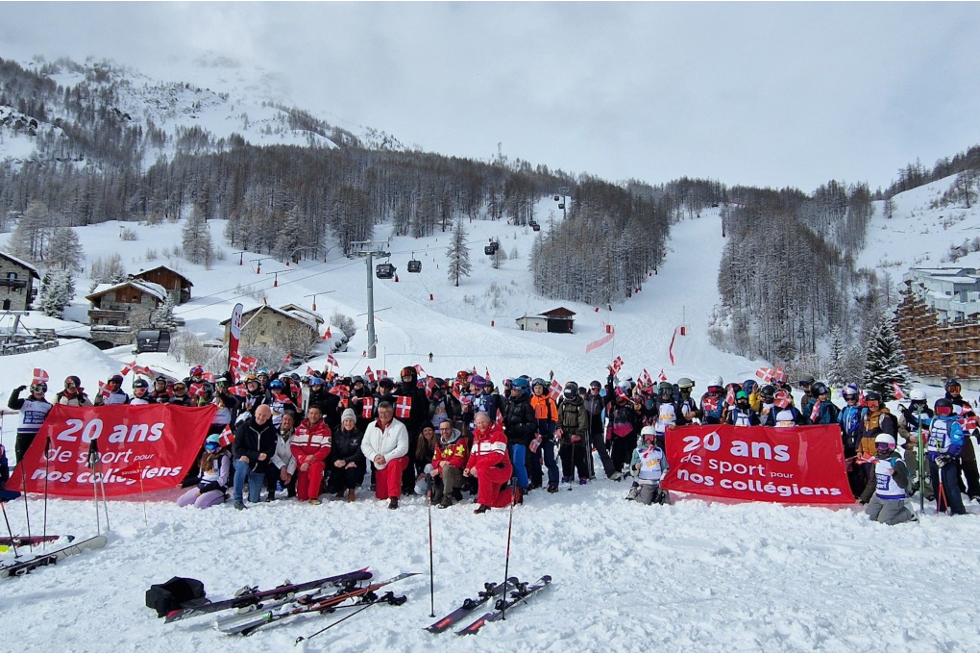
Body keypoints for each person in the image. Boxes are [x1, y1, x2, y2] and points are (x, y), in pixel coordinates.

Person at [361, 400, 410, 509]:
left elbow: (403, 448)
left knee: (394, 463)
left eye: (386, 412)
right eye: (381, 412)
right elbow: (365, 445)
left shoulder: (400, 427)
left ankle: (394, 497)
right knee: (381, 495)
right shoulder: (371, 426)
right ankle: (389, 487)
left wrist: (387, 458)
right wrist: (374, 456)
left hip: (396, 460)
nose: (383, 415)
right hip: (379, 463)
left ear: (392, 413)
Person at [465, 412, 514, 513]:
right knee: (494, 502)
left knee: (482, 470)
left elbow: (497, 456)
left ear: (489, 421)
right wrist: (468, 467)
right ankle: (515, 493)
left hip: (501, 469)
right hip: (488, 472)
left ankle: (484, 503)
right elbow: (473, 455)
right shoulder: (477, 437)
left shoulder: (498, 435)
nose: (481, 425)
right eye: (478, 423)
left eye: (483, 422)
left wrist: (477, 466)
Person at [231, 404, 278, 510]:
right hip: (243, 460)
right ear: (255, 413)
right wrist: (255, 455)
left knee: (254, 500)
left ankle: (252, 494)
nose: (261, 417)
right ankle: (237, 500)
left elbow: (272, 449)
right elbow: (238, 448)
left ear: (268, 417)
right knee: (242, 466)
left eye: (264, 415)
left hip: (259, 466)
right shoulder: (244, 427)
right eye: (259, 414)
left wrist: (265, 455)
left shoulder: (271, 430)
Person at [863, 434, 915, 525]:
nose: (879, 448)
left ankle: (908, 512)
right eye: (877, 445)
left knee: (884, 522)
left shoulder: (896, 462)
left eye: (882, 446)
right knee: (868, 518)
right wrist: (864, 498)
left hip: (894, 499)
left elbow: (904, 484)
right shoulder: (877, 461)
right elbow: (873, 481)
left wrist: (895, 474)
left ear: (890, 447)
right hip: (878, 497)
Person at [927, 398, 967, 515]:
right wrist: (908, 414)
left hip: (946, 459)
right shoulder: (934, 421)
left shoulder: (953, 424)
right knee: (936, 483)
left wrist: (949, 455)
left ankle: (958, 509)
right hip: (933, 458)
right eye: (940, 410)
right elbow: (919, 422)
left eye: (946, 409)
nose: (943, 412)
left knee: (950, 485)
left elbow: (957, 441)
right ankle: (942, 506)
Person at [943, 379, 980, 499]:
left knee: (969, 463)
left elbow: (972, 419)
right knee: (954, 463)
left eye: (957, 389)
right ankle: (958, 487)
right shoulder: (944, 403)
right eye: (952, 389)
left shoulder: (964, 404)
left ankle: (974, 490)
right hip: (950, 438)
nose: (954, 392)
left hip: (964, 437)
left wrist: (976, 428)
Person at [502, 377, 536, 495]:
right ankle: (513, 482)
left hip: (521, 438)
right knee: (510, 461)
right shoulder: (510, 403)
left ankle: (523, 485)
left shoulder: (526, 406)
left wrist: (519, 428)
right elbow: (506, 418)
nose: (512, 391)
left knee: (518, 462)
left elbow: (532, 425)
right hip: (510, 437)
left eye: (515, 389)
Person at [176, 435, 231, 509]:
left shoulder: (223, 458)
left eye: (211, 446)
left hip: (216, 487)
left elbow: (222, 480)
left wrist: (203, 491)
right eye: (206, 446)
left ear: (218, 447)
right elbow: (200, 477)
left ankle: (222, 497)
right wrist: (184, 484)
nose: (208, 449)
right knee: (181, 502)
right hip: (202, 485)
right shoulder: (205, 456)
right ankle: (204, 496)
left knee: (199, 504)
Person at [897, 389, 934, 501]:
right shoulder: (907, 415)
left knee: (927, 464)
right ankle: (913, 484)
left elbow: (935, 426)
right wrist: (908, 436)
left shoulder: (930, 413)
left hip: (926, 441)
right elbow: (900, 427)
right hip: (912, 441)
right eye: (917, 402)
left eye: (922, 402)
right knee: (912, 462)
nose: (919, 405)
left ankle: (929, 490)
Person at [291, 405, 332, 505]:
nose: (313, 416)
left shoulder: (325, 430)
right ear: (308, 414)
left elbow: (325, 449)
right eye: (311, 413)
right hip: (302, 462)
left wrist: (311, 459)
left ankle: (313, 497)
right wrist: (304, 459)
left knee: (316, 468)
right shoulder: (299, 429)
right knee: (302, 496)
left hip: (317, 461)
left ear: (320, 415)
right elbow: (294, 447)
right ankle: (319, 486)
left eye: (316, 413)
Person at [8, 379, 52, 463]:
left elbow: (53, 418)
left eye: (43, 390)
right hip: (23, 435)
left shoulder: (47, 405)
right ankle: (21, 475)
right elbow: (12, 405)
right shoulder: (24, 402)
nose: (40, 392)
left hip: (38, 435)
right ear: (32, 390)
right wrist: (16, 392)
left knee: (36, 458)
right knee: (22, 459)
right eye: (37, 389)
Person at [605, 375, 641, 478]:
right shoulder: (614, 405)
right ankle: (617, 469)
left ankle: (632, 469)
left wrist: (637, 407)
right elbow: (610, 421)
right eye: (617, 396)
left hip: (630, 432)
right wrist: (608, 437)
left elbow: (638, 414)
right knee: (617, 453)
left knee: (631, 452)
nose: (619, 398)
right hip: (617, 433)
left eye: (621, 396)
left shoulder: (630, 404)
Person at [327, 409, 366, 502]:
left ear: (354, 422)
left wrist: (347, 461)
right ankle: (341, 487)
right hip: (339, 464)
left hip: (354, 464)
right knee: (332, 489)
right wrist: (336, 461)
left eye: (351, 420)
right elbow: (332, 452)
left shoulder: (360, 435)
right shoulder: (336, 434)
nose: (348, 423)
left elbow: (359, 454)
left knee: (352, 469)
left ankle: (351, 491)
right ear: (343, 422)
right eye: (346, 421)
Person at [530, 377, 560, 492]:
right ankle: (536, 481)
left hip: (546, 433)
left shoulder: (549, 401)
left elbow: (554, 417)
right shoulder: (531, 400)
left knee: (549, 459)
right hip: (535, 435)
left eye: (540, 388)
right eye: (536, 388)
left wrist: (549, 431)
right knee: (535, 459)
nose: (538, 390)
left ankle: (553, 483)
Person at [556, 382, 589, 485]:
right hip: (565, 434)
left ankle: (583, 475)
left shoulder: (580, 406)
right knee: (565, 455)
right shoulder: (563, 405)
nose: (569, 399)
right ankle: (567, 474)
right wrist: (558, 428)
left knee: (578, 456)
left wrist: (578, 434)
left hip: (576, 434)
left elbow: (583, 422)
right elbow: (558, 418)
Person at [583, 380, 618, 480]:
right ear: (590, 388)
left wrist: (610, 379)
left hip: (597, 429)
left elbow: (610, 395)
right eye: (593, 388)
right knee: (587, 452)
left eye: (597, 389)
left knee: (602, 451)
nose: (595, 391)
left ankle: (610, 473)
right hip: (586, 429)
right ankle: (590, 473)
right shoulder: (584, 399)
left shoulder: (601, 400)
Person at [627, 426, 669, 505]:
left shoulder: (659, 451)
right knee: (645, 501)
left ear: (654, 438)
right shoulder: (638, 451)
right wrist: (636, 467)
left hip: (658, 482)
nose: (648, 440)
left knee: (666, 501)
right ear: (642, 438)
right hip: (646, 482)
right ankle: (635, 492)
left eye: (651, 437)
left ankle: (655, 495)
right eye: (646, 437)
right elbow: (633, 471)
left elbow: (665, 467)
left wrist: (663, 476)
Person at [431, 420, 468, 508]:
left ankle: (447, 497)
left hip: (458, 476)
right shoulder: (439, 442)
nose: (444, 432)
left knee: (447, 468)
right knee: (434, 501)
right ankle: (443, 491)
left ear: (452, 429)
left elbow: (458, 461)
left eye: (447, 429)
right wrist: (440, 462)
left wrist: (440, 468)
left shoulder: (460, 441)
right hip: (443, 476)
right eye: (442, 429)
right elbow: (435, 460)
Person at [266, 410, 297, 501]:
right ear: (281, 420)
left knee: (295, 469)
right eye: (285, 419)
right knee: (271, 469)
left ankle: (291, 490)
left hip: (290, 462)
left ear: (293, 422)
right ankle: (271, 492)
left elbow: (295, 455)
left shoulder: (297, 434)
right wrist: (282, 466)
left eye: (290, 420)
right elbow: (272, 453)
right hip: (276, 462)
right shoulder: (273, 432)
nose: (287, 422)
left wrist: (289, 472)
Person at [413, 425, 439, 496]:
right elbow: (418, 462)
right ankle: (430, 488)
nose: (428, 432)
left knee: (429, 466)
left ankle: (432, 490)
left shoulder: (439, 442)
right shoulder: (419, 444)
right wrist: (421, 473)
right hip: (425, 474)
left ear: (433, 431)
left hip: (436, 471)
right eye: (425, 430)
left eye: (429, 430)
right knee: (418, 490)